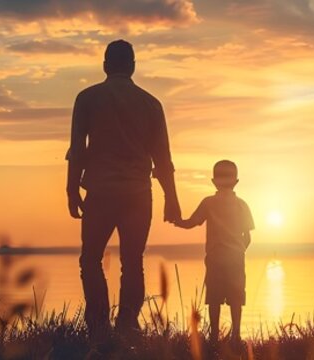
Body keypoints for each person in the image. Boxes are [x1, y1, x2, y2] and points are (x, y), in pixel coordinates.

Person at [66, 39, 181, 341]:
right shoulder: (151, 103)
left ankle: (99, 326)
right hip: (138, 196)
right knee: (133, 262)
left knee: (90, 260)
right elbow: (163, 158)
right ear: (132, 66)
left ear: (105, 66)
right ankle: (127, 325)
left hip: (100, 193)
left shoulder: (87, 98)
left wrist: (70, 189)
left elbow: (77, 149)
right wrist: (172, 199)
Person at [174, 160, 254, 343]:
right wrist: (239, 250)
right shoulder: (242, 205)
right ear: (236, 182)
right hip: (236, 258)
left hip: (215, 258)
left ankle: (214, 336)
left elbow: (191, 223)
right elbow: (248, 237)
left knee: (214, 298)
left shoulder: (209, 203)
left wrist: (177, 220)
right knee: (236, 298)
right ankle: (236, 335)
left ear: (213, 181)